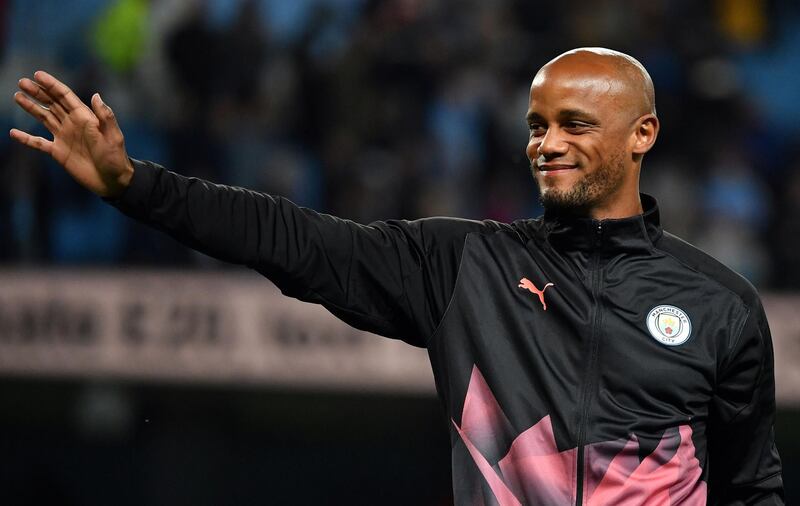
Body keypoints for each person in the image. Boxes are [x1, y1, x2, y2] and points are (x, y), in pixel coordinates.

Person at [11, 48, 783, 505]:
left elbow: (751, 491)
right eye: (537, 125)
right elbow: (294, 240)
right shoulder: (466, 265)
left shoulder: (718, 305)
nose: (547, 143)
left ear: (642, 132)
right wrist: (134, 186)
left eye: (574, 124)